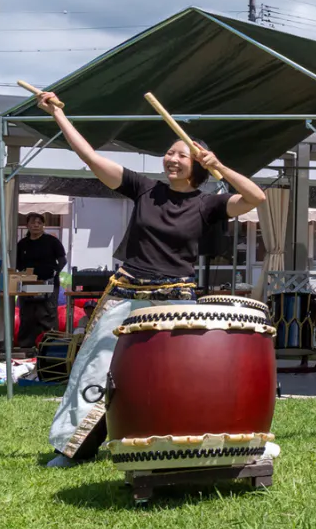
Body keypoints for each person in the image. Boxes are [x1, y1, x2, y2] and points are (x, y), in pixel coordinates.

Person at [35, 89, 267, 465]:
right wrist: (58, 114)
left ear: (198, 164)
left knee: (171, 374)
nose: (172, 159)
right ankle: (74, 448)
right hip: (126, 293)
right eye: (169, 152)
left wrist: (220, 167)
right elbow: (90, 156)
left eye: (181, 155)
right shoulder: (144, 189)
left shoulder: (208, 204)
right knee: (95, 367)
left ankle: (171, 441)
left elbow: (256, 198)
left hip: (175, 299)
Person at [15, 213, 67, 346]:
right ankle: (26, 345)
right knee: (27, 314)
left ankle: (50, 345)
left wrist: (54, 272)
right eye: (33, 222)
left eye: (39, 223)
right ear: (27, 225)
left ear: (43, 225)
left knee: (47, 314)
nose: (36, 225)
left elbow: (62, 260)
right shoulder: (22, 244)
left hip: (48, 283)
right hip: (27, 283)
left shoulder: (52, 241)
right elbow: (16, 263)